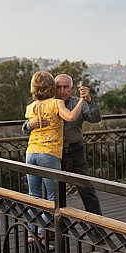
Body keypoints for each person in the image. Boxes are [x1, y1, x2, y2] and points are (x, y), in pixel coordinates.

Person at [22, 73, 103, 215]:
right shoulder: (46, 103)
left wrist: (89, 100)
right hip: (52, 154)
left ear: (72, 88)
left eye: (66, 87)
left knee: (86, 190)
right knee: (55, 194)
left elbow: (96, 118)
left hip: (74, 151)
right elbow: (25, 129)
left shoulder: (77, 103)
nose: (62, 91)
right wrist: (30, 124)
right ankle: (56, 228)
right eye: (58, 87)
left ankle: (97, 225)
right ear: (53, 88)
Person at [24, 71, 86, 246]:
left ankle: (32, 235)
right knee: (54, 198)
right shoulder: (56, 103)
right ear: (52, 86)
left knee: (33, 196)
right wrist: (82, 100)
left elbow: (28, 126)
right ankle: (42, 233)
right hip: (48, 153)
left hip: (31, 153)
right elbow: (71, 117)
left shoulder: (31, 107)